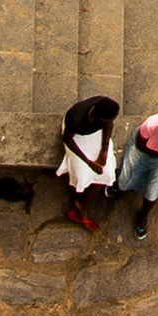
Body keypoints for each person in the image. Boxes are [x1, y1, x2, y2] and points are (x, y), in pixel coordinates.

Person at [56, 94, 121, 229]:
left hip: (96, 136)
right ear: (100, 117)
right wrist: (88, 162)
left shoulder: (105, 109)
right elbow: (68, 139)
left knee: (107, 173)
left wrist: (104, 150)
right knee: (82, 175)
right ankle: (79, 199)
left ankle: (83, 203)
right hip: (77, 139)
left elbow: (109, 124)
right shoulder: (75, 117)